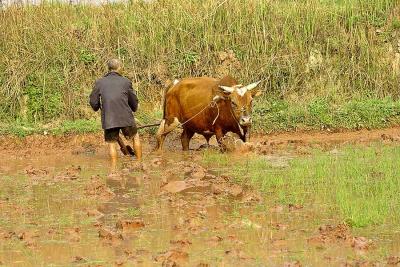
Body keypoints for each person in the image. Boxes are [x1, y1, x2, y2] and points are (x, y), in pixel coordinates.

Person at [89, 59, 142, 168]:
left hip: (109, 118)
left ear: (108, 69)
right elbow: (133, 100)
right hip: (125, 117)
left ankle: (113, 171)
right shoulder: (126, 81)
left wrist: (97, 107)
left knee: (112, 144)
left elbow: (93, 101)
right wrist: (134, 108)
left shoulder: (100, 82)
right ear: (119, 68)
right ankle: (139, 163)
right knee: (135, 137)